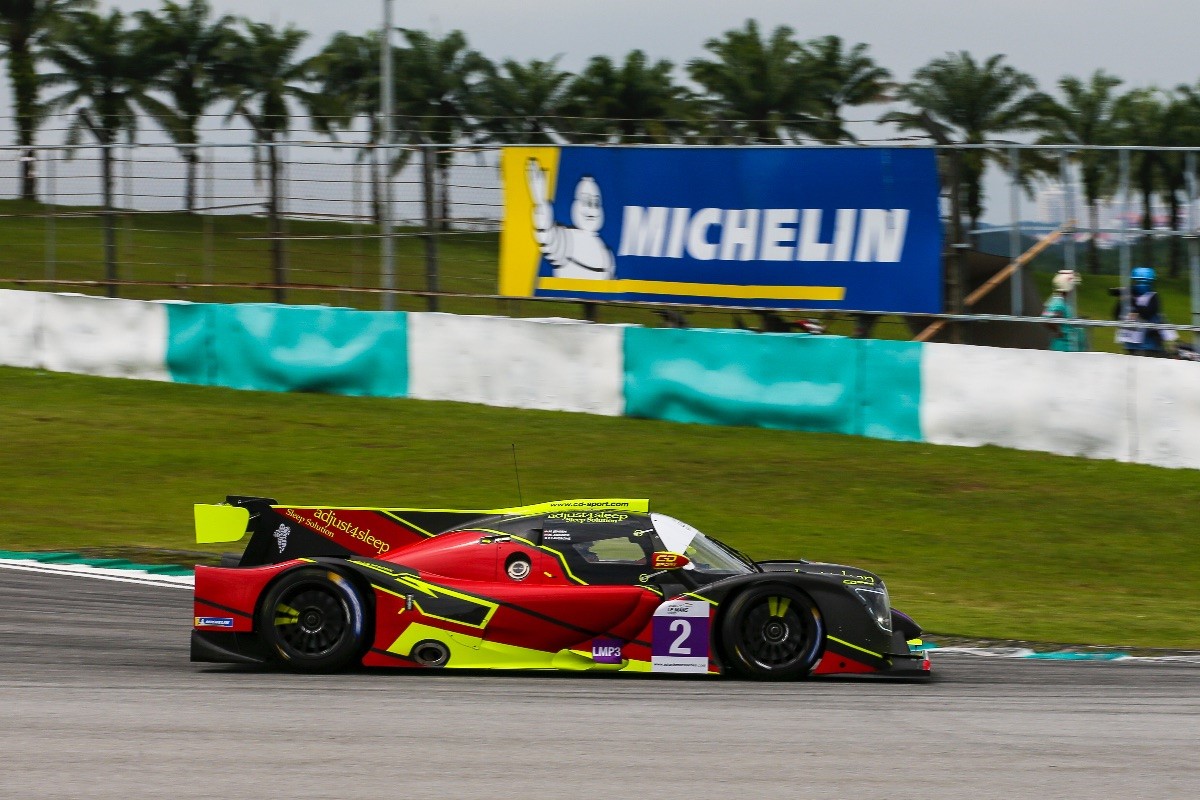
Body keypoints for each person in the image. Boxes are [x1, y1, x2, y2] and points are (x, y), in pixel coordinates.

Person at [1114, 267, 1176, 357]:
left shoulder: (1153, 297)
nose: (1140, 285)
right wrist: (1122, 300)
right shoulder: (1128, 296)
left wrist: (1132, 300)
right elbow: (1116, 315)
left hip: (1150, 345)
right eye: (1138, 282)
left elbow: (1146, 314)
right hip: (1132, 344)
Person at [1042, 269, 1085, 351]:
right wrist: (1059, 332)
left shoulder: (1062, 301)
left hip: (1070, 347)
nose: (1075, 289)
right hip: (1064, 348)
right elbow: (1047, 319)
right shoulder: (1058, 302)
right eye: (1074, 286)